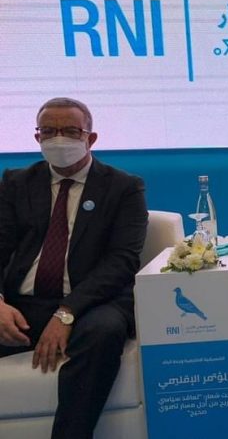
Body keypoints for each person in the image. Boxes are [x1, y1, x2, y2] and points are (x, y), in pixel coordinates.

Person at [0, 97, 148, 438]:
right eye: (48, 131)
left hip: (91, 304)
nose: (58, 139)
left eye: (70, 131)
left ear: (90, 138)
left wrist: (66, 312)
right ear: (37, 137)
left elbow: (122, 261)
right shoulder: (16, 183)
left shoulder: (124, 187)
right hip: (23, 305)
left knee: (104, 332)